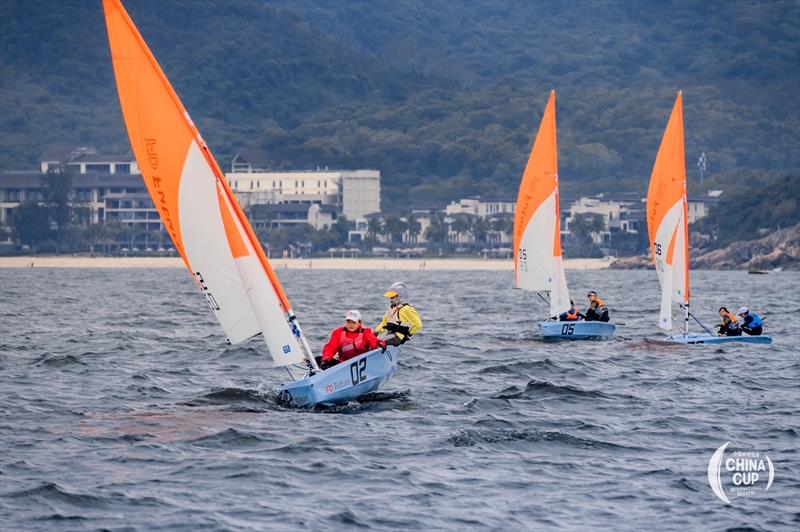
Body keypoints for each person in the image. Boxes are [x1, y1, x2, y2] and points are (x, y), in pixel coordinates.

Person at [319, 310, 385, 370]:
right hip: (343, 364)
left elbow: (373, 341)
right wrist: (326, 359)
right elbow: (331, 347)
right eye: (348, 322)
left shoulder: (366, 332)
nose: (350, 325)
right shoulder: (338, 332)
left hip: (362, 364)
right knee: (319, 359)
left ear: (359, 322)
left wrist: (379, 343)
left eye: (353, 322)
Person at [375, 282, 423, 346]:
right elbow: (384, 323)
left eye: (392, 297)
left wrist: (408, 333)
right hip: (390, 335)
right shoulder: (392, 309)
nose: (390, 300)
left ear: (399, 297)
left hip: (398, 337)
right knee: (372, 341)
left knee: (376, 343)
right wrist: (376, 332)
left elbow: (418, 325)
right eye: (390, 297)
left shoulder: (407, 309)